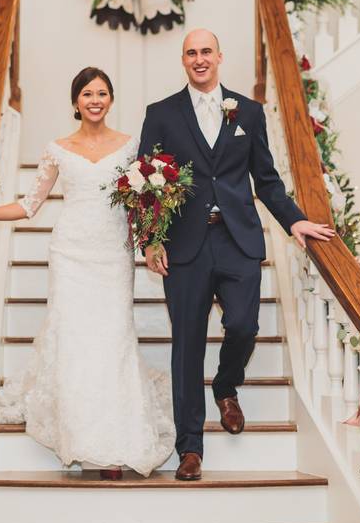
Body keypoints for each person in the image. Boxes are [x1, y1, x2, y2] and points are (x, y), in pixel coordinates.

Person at [0, 67, 174, 478]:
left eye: (102, 93)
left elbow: (143, 203)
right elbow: (29, 204)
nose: (95, 100)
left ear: (110, 99)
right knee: (73, 341)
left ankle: (118, 443)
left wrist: (152, 239)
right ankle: (80, 440)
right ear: (75, 102)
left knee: (113, 340)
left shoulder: (130, 147)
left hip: (111, 254)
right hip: (70, 253)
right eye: (87, 93)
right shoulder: (57, 149)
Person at [138, 29, 335, 481]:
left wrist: (294, 220)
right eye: (191, 53)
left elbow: (265, 180)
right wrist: (152, 239)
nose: (199, 59)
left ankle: (226, 386)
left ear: (220, 56)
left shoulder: (248, 111)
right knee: (186, 346)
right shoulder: (161, 114)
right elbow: (147, 183)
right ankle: (190, 448)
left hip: (238, 239)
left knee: (244, 324)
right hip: (185, 246)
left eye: (206, 51)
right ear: (183, 60)